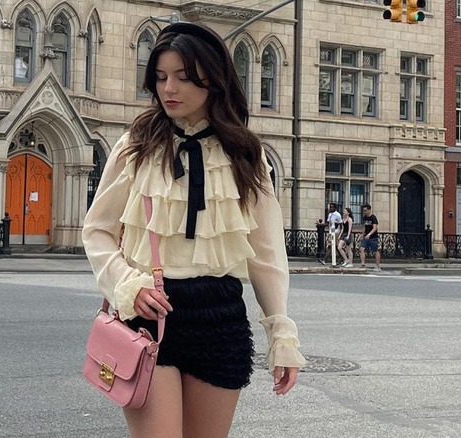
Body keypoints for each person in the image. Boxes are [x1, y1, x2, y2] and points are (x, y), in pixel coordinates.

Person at [82, 22, 305, 438]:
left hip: (220, 317)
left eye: (183, 78)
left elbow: (267, 255)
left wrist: (281, 334)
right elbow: (96, 230)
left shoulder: (245, 155)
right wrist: (127, 284)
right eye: (162, 77)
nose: (169, 88)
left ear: (213, 80)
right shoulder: (137, 144)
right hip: (152, 314)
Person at [359, 203, 381, 272]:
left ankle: (377, 266)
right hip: (366, 237)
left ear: (369, 210)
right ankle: (363, 264)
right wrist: (362, 235)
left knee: (375, 252)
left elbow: (375, 228)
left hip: (373, 237)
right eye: (363, 210)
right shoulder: (364, 218)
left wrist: (369, 234)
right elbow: (364, 227)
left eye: (365, 210)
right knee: (361, 249)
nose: (364, 212)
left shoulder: (373, 217)